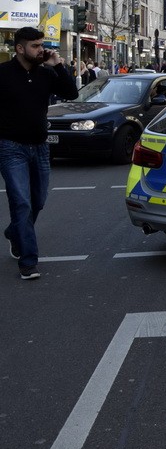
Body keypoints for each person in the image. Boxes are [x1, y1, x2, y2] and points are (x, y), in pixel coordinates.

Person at [0, 27, 79, 280]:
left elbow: (71, 93)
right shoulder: (3, 74)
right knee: (21, 203)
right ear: (20, 48)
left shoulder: (45, 74)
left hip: (41, 147)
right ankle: (28, 261)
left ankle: (15, 233)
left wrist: (58, 65)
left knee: (38, 201)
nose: (41, 50)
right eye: (35, 46)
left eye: (42, 45)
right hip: (11, 147)